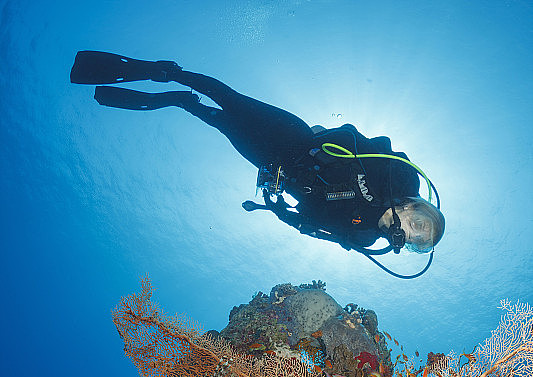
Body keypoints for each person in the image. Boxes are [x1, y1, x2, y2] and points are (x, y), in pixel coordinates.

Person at [70, 51, 444, 261]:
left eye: (416, 242)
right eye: (419, 227)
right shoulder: (398, 179)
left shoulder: (363, 238)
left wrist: (276, 204)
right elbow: (359, 136)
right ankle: (168, 73)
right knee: (229, 99)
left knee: (217, 121)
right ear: (415, 208)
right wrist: (324, 147)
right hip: (295, 138)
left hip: (274, 165)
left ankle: (179, 101)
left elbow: (310, 225)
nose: (410, 236)